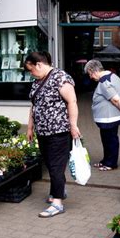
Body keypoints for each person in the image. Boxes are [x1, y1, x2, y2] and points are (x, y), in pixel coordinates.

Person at [26, 51, 82, 218]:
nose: (30, 73)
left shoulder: (60, 77)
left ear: (39, 64)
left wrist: (73, 126)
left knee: (57, 166)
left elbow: (72, 101)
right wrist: (30, 127)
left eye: (31, 69)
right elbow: (33, 106)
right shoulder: (37, 82)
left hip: (59, 131)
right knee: (50, 164)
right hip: (42, 131)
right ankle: (57, 192)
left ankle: (57, 203)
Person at [84, 59, 120, 171]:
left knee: (110, 140)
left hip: (109, 118)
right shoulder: (113, 76)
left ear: (93, 70)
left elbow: (115, 99)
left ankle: (111, 163)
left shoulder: (104, 81)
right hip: (109, 117)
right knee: (108, 140)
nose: (91, 77)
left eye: (90, 74)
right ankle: (106, 160)